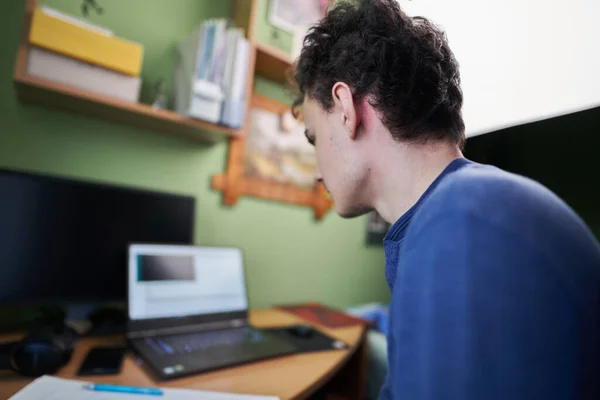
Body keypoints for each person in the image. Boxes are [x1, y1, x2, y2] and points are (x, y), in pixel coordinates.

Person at [292, 0, 600, 398]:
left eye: (314, 138)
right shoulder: (466, 210)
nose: (317, 171)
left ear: (346, 109)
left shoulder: (460, 225)